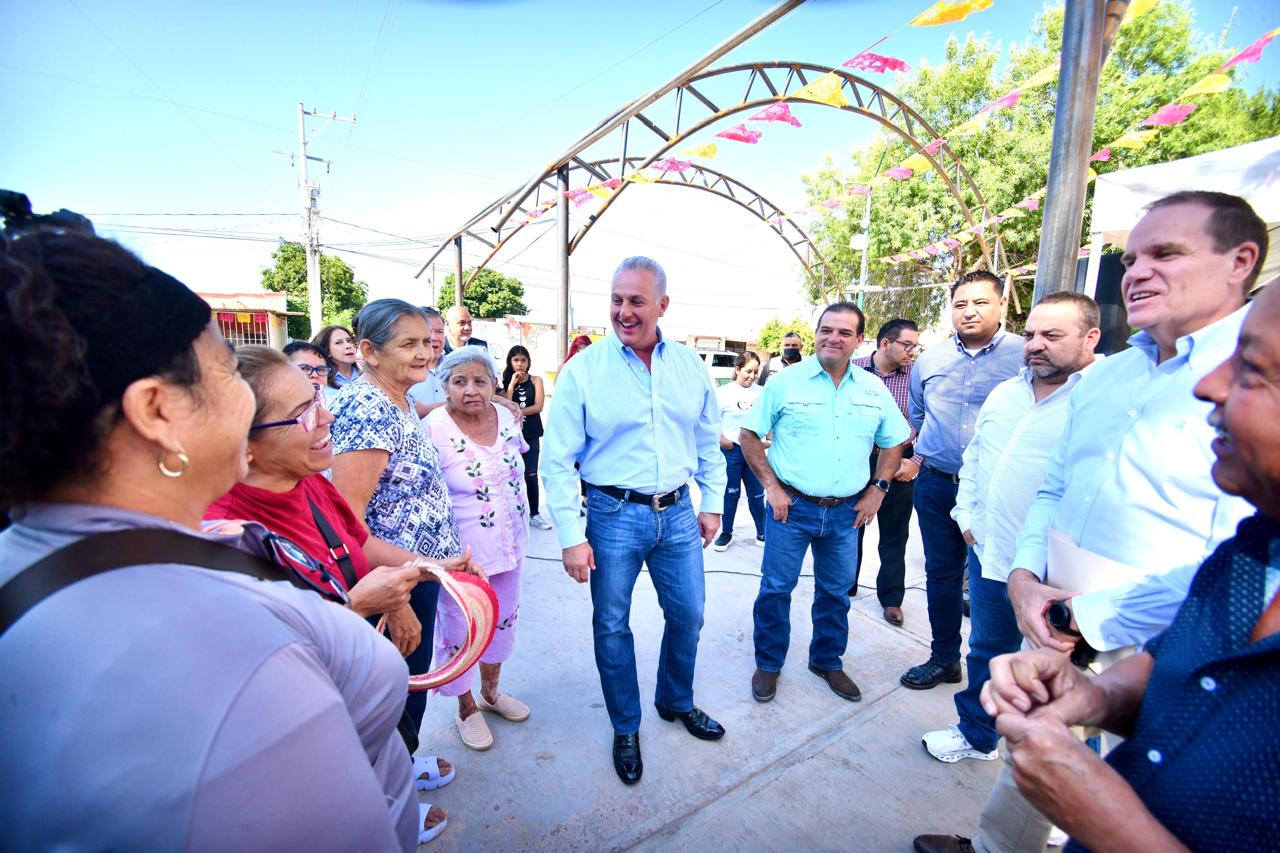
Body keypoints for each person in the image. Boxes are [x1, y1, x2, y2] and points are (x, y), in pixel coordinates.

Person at [0, 230, 422, 849]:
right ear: (158, 411)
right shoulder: (231, 649)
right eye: (228, 370)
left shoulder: (34, 553)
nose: (247, 397)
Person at [913, 191, 1262, 853]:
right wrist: (1022, 574)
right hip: (1054, 609)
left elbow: (1242, 553)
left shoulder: (1254, 377)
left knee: (1143, 791)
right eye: (1131, 257)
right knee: (1039, 751)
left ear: (1240, 260)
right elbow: (1054, 486)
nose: (1136, 272)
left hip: (1166, 632)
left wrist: (1091, 616)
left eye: (1167, 252)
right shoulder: (1106, 382)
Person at [977, 278, 1280, 852]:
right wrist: (1094, 695)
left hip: (1113, 623)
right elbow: (1183, 671)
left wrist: (1104, 818)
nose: (1211, 386)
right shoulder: (1253, 552)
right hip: (1060, 617)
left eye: (1255, 370)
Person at [205, 345, 484, 828]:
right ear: (241, 443)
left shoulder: (306, 481)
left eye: (316, 398)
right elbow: (259, 670)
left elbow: (358, 546)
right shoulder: (227, 533)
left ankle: (393, 779)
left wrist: (422, 573)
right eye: (302, 413)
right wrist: (358, 605)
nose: (328, 416)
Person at [541, 256, 727, 786]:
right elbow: (556, 461)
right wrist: (571, 538)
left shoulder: (690, 366)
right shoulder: (584, 370)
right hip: (611, 514)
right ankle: (626, 725)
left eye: (637, 301)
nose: (624, 311)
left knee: (689, 614)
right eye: (617, 299)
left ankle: (676, 700)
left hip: (678, 515)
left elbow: (706, 440)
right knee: (612, 625)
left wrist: (711, 503)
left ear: (662, 305)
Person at [919, 293, 1100, 766]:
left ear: (1091, 338)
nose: (1036, 345)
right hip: (991, 552)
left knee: (1049, 674)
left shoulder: (1100, 398)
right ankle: (977, 736)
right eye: (1033, 334)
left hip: (1056, 574)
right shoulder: (1007, 391)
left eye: (1053, 336)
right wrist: (966, 518)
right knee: (986, 650)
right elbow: (975, 457)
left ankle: (1044, 772)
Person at [741, 303, 909, 705]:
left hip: (845, 514)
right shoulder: (786, 382)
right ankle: (768, 663)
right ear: (815, 333)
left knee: (835, 592)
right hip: (790, 509)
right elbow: (749, 436)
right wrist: (772, 487)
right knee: (776, 589)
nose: (833, 338)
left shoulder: (873, 389)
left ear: (859, 341)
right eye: (826, 330)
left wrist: (878, 489)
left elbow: (894, 442)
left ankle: (827, 660)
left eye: (844, 332)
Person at [328, 299, 469, 742]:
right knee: (391, 703)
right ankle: (392, 803)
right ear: (369, 350)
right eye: (408, 344)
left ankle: (403, 779)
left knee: (409, 693)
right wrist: (396, 599)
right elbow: (347, 527)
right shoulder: (369, 407)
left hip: (413, 576)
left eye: (427, 342)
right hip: (392, 585)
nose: (425, 353)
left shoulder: (400, 398)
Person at [902, 271, 1023, 690]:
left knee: (995, 577)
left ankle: (995, 676)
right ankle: (944, 658)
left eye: (980, 302)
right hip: (935, 483)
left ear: (1002, 305)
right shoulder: (930, 360)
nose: (969, 311)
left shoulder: (1025, 356)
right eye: (960, 304)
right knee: (942, 573)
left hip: (995, 489)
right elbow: (919, 415)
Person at [427, 347, 532, 751]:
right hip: (462, 557)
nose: (471, 390)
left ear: (494, 384)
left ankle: (491, 692)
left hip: (510, 544)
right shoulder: (433, 426)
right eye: (460, 381)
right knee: (461, 632)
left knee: (502, 620)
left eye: (480, 381)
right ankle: (465, 707)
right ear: (445, 386)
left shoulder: (507, 416)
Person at [850, 318, 922, 626]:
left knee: (895, 533)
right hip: (856, 459)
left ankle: (892, 598)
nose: (913, 352)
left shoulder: (916, 377)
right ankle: (844, 584)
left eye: (916, 346)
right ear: (884, 344)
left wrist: (916, 460)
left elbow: (927, 422)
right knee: (850, 525)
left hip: (899, 463)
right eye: (908, 345)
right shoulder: (851, 369)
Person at [713, 351, 767, 551]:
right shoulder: (723, 393)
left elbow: (768, 420)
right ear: (737, 369)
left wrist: (766, 439)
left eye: (756, 371)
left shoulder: (761, 393)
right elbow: (711, 422)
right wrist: (722, 440)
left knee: (757, 495)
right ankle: (726, 533)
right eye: (747, 371)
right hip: (731, 452)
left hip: (754, 453)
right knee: (730, 494)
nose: (752, 376)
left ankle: (763, 532)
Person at [501, 344, 551, 531]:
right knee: (512, 474)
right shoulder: (505, 381)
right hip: (510, 434)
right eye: (516, 360)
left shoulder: (536, 380)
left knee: (531, 473)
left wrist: (518, 411)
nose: (520, 364)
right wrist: (512, 385)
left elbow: (538, 406)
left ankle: (535, 514)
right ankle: (514, 513)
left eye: (523, 360)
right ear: (510, 362)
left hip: (531, 433)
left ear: (529, 362)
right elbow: (505, 403)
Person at [410, 306, 449, 418]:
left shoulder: (457, 367)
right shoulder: (402, 372)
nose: (434, 337)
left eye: (439, 332)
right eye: (428, 331)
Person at [313, 324, 362, 389]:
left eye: (349, 341)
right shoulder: (320, 382)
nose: (348, 346)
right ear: (327, 351)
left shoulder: (367, 375)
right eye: (338, 342)